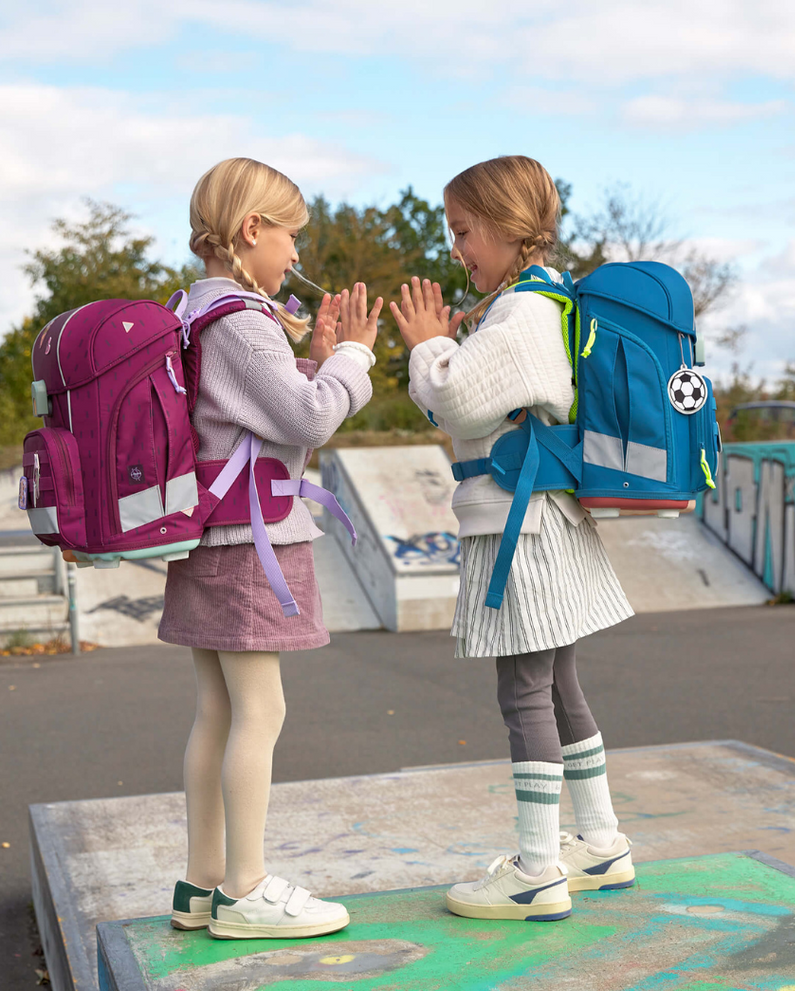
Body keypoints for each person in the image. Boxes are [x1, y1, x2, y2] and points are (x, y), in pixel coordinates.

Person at [390, 155, 636, 922]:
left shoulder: (521, 313)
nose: (458, 248)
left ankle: (536, 869)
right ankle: (599, 844)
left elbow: (457, 401)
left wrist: (430, 343)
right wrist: (448, 343)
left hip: (519, 526)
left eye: (464, 231)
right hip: (544, 520)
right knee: (558, 686)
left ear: (503, 226)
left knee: (524, 691)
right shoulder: (539, 301)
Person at [160, 157, 382, 939]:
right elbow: (311, 422)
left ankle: (203, 880)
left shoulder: (190, 312)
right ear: (251, 229)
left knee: (216, 711)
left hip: (203, 536)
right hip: (250, 543)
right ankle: (247, 889)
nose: (295, 255)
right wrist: (353, 357)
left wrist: (316, 362)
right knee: (262, 709)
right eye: (290, 236)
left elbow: (271, 419)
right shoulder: (243, 321)